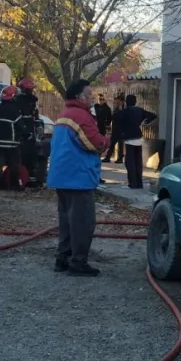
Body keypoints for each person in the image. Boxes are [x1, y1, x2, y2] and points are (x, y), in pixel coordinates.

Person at [47, 79, 109, 276]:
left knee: (66, 221)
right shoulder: (80, 116)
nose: (92, 97)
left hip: (63, 177)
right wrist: (108, 140)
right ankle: (78, 263)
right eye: (89, 94)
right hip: (78, 178)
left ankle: (62, 259)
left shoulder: (65, 115)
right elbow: (95, 143)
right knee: (82, 222)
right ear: (79, 97)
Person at [119, 95, 157, 189]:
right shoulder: (140, 110)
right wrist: (145, 122)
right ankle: (139, 184)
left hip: (129, 139)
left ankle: (132, 184)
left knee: (130, 162)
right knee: (138, 162)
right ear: (135, 102)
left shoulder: (125, 112)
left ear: (126, 102)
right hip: (138, 138)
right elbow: (153, 115)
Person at [0, 85, 24, 190]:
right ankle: (15, 184)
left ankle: (1, 183)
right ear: (14, 97)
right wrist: (27, 134)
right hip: (12, 142)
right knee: (15, 163)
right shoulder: (15, 110)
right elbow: (20, 126)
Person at [14, 77, 40, 187]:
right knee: (30, 155)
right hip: (29, 130)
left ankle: (20, 178)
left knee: (21, 155)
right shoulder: (33, 100)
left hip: (20, 131)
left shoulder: (17, 100)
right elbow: (36, 116)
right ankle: (31, 179)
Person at [102, 95, 126, 164]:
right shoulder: (116, 109)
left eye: (117, 102)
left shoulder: (123, 110)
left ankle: (119, 158)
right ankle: (108, 157)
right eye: (115, 102)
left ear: (121, 102)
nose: (115, 103)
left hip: (121, 130)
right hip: (115, 130)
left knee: (120, 145)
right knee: (112, 144)